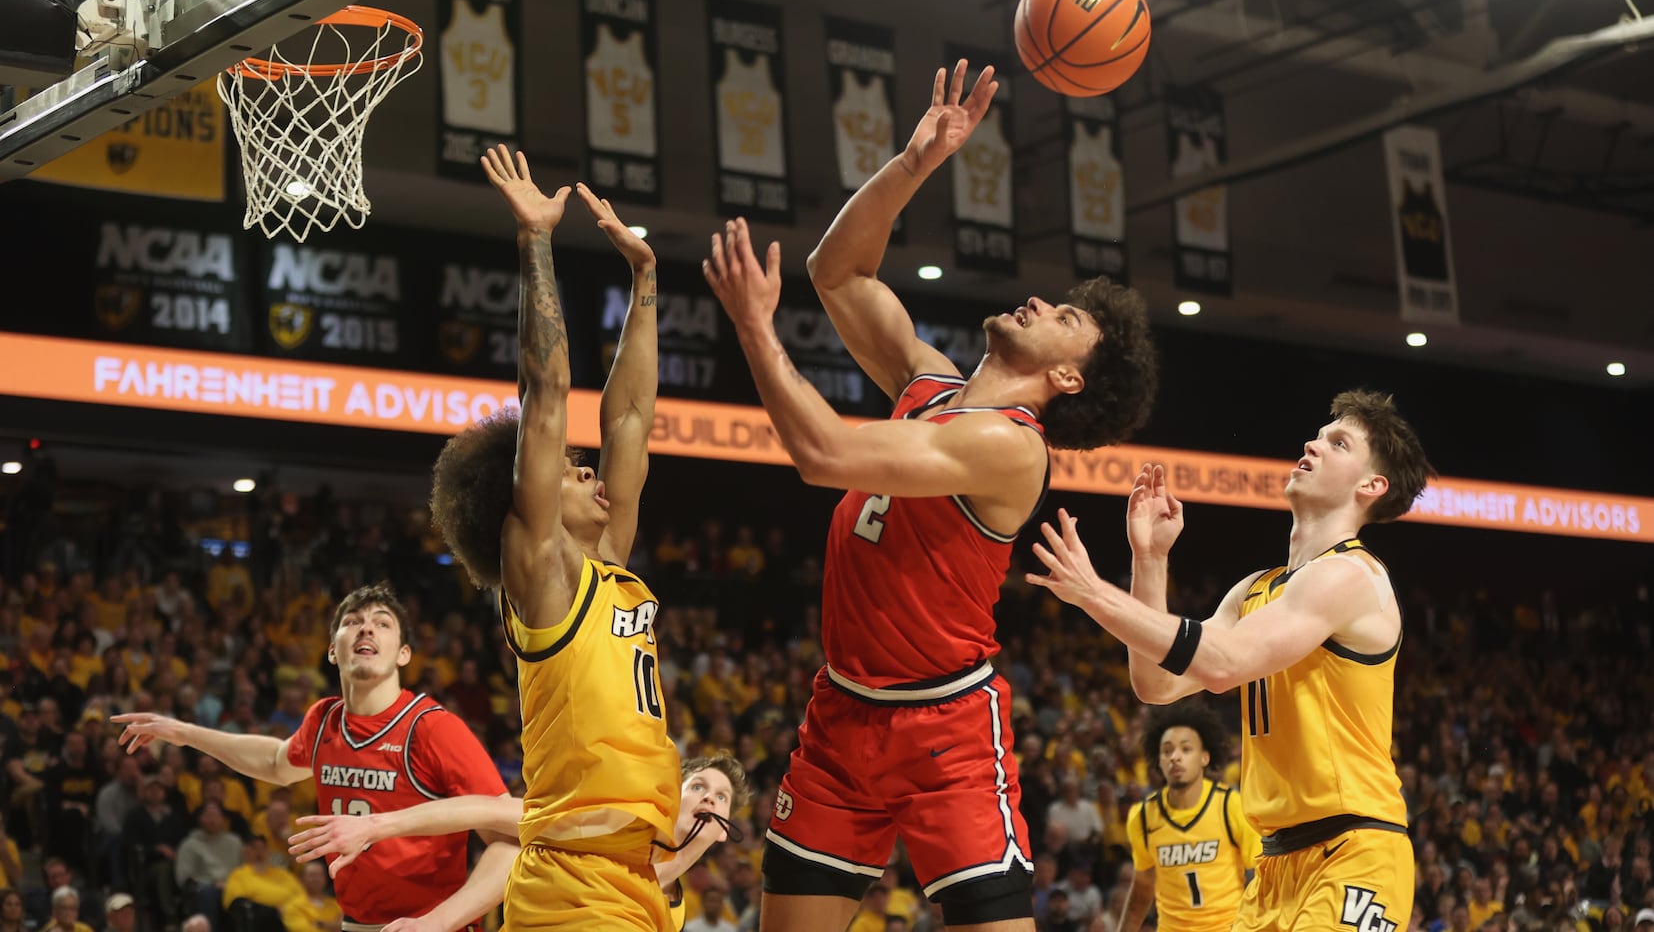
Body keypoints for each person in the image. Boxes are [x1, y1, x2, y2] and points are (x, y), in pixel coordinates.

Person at [699, 59, 1159, 932]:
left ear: (1065, 376)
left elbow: (822, 452)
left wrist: (757, 329)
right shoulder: (933, 384)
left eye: (1062, 316)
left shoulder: (1008, 448)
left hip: (944, 729)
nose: (1037, 300)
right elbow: (837, 273)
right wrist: (915, 163)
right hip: (841, 715)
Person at [1025, 390, 1434, 932]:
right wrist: (1149, 561)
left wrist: (1095, 594)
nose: (1312, 444)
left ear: (1371, 486)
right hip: (1272, 866)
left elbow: (1223, 664)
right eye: (1318, 434)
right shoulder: (1255, 589)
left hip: (1355, 849)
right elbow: (1156, 683)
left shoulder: (1352, 575)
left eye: (1338, 443)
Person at [425, 146, 679, 931]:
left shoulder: (609, 567)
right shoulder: (543, 574)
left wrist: (646, 285)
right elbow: (546, 396)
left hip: (637, 878)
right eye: (573, 473)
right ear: (527, 495)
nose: (591, 475)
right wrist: (537, 240)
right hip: (572, 882)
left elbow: (631, 416)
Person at [112, 581, 513, 932]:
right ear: (332, 652)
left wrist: (438, 922)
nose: (366, 627)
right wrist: (184, 733)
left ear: (404, 655)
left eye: (382, 622)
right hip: (356, 924)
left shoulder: (431, 727)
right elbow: (275, 762)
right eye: (352, 621)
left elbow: (511, 839)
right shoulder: (324, 720)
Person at [289, 755, 752, 932]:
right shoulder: (608, 826)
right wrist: (374, 828)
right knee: (517, 844)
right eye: (697, 786)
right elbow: (487, 810)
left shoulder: (675, 911)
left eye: (721, 797)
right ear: (672, 796)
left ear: (725, 826)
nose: (709, 795)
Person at [1118, 700, 1260, 932]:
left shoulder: (1230, 805)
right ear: (1159, 761)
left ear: (1204, 757)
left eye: (1186, 749)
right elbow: (1142, 888)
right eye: (1167, 751)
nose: (1175, 757)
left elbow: (1262, 876)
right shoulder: (1143, 816)